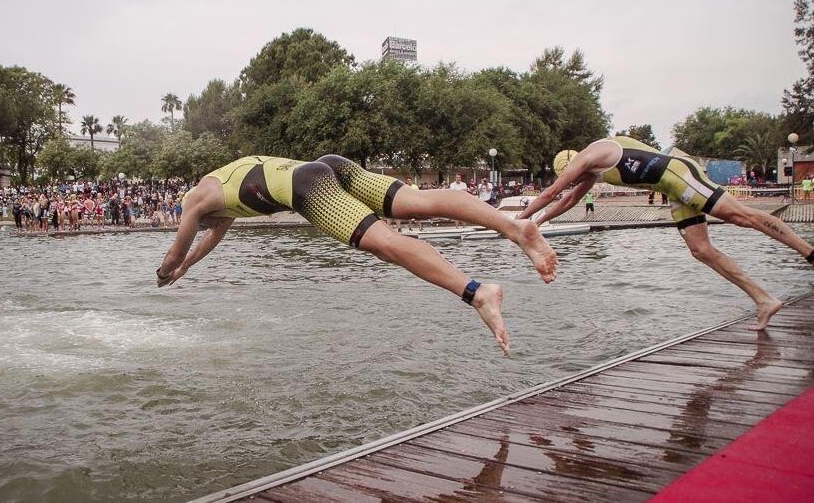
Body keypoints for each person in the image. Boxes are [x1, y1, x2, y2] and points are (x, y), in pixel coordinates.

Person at [157, 154, 558, 354]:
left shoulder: (195, 198)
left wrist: (167, 269)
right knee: (416, 202)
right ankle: (514, 227)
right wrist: (188, 268)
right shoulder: (222, 193)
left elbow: (179, 245)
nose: (208, 226)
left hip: (309, 189)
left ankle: (477, 292)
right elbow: (210, 238)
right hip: (328, 165)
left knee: (386, 245)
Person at [518, 136, 814, 330]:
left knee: (742, 216)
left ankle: (809, 253)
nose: (581, 181)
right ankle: (764, 299)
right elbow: (568, 200)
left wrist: (517, 220)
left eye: (576, 176)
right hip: (671, 191)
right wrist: (536, 224)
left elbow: (553, 193)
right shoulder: (592, 171)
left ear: (572, 165)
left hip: (680, 175)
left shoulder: (591, 155)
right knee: (701, 250)